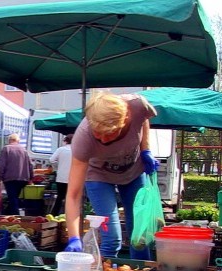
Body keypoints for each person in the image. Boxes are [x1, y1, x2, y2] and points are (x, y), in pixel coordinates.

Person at [64, 92, 159, 260]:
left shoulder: (137, 105)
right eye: (97, 133)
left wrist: (146, 149)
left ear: (125, 119)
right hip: (99, 176)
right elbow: (73, 195)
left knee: (139, 232)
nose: (102, 139)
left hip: (133, 172)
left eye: (109, 134)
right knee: (112, 237)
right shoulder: (83, 138)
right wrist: (74, 237)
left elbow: (143, 119)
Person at [0, 133, 33, 215]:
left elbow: (2, 164)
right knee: (14, 197)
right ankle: (7, 214)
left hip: (10, 178)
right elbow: (30, 164)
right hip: (23, 179)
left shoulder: (6, 149)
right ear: (18, 140)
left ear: (9, 140)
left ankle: (15, 216)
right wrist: (31, 177)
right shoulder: (24, 150)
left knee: (12, 198)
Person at [49, 134, 74, 215]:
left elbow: (52, 160)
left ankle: (54, 214)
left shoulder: (60, 149)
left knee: (60, 197)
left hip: (61, 177)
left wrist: (57, 167)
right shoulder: (77, 150)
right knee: (71, 198)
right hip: (73, 178)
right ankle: (69, 215)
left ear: (66, 141)